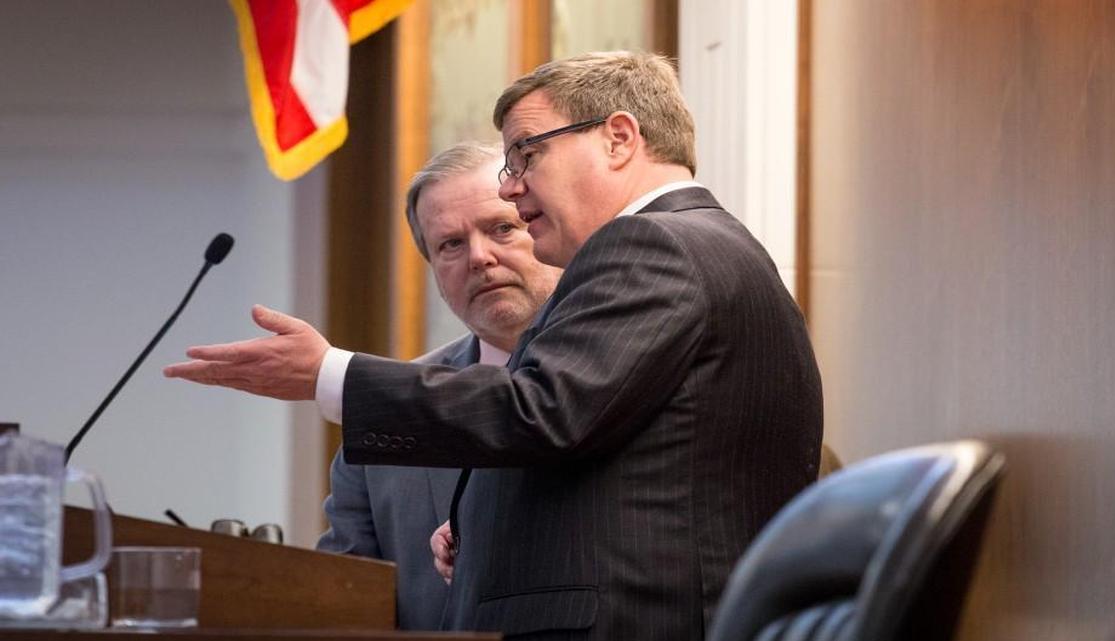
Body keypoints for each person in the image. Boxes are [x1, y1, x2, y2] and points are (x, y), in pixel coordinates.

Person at [165, 51, 823, 640]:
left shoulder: (652, 244)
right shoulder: (702, 245)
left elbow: (542, 410)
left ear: (619, 138)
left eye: (526, 154)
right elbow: (631, 461)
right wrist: (488, 526)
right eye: (451, 243)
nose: (511, 183)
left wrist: (331, 373)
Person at [315, 142, 561, 630]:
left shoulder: (622, 370)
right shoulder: (389, 407)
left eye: (502, 228)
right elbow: (342, 601)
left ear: (546, 229)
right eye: (450, 244)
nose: (479, 257)